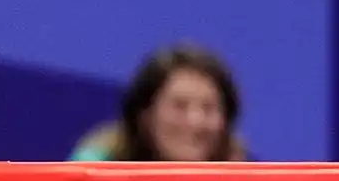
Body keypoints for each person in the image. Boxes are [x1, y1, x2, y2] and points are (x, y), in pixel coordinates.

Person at [70, 44, 248, 163]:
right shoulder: (91, 173)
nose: (195, 121)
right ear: (145, 114)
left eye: (208, 109)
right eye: (179, 106)